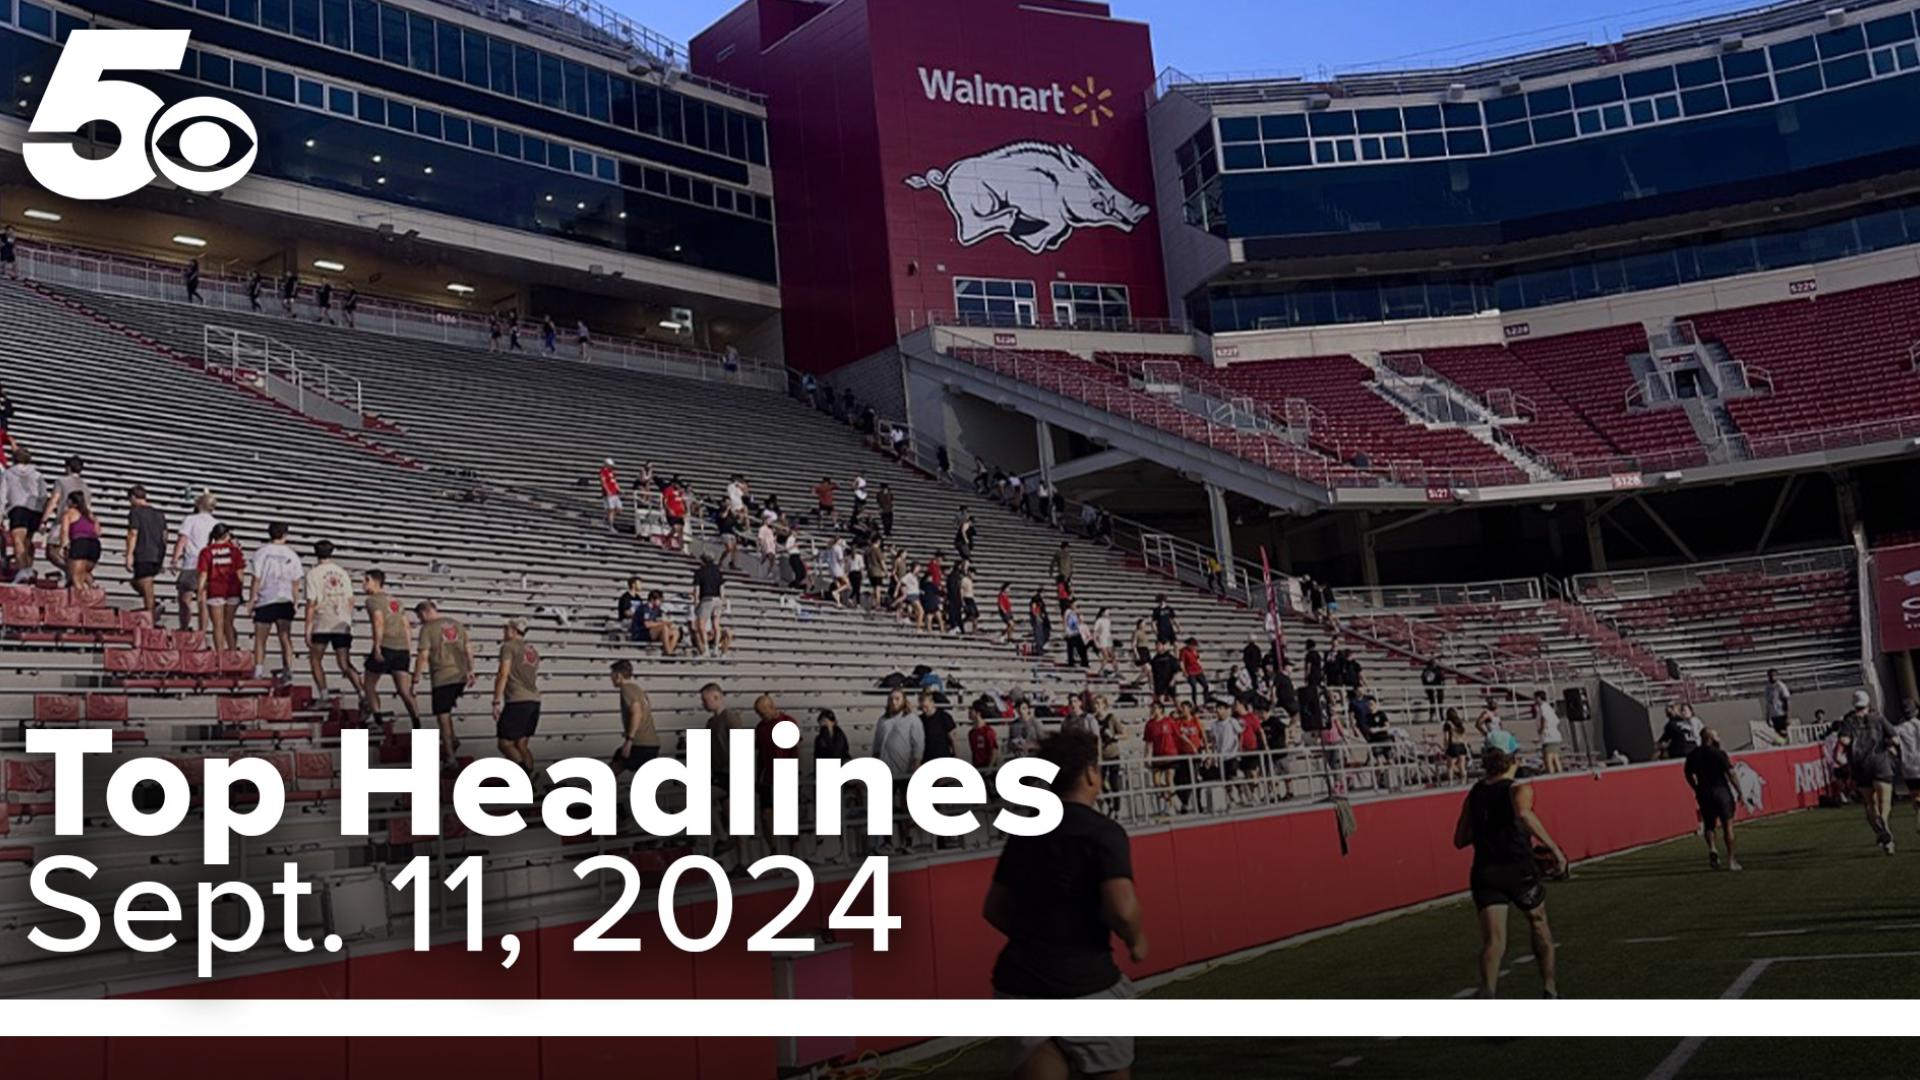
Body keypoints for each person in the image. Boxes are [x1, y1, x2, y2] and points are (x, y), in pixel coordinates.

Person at [985, 731, 1147, 1080]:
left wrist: (1039, 935)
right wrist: (1137, 942)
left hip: (1020, 982)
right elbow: (1122, 908)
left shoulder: (1025, 831)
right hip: (1086, 983)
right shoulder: (1104, 832)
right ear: (1090, 773)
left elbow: (994, 908)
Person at [1453, 736, 1565, 999]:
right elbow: (1524, 815)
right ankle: (1550, 989)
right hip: (1518, 868)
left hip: (1485, 872)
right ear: (1513, 757)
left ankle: (1488, 993)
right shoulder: (1518, 789)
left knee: (1494, 942)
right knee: (1539, 924)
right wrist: (1556, 849)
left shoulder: (1475, 793)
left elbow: (1460, 840)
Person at [1834, 690, 1901, 854]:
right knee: (1884, 801)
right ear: (1868, 703)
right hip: (1880, 762)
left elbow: (1840, 749)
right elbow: (1895, 739)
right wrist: (1888, 746)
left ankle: (1882, 834)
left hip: (1860, 766)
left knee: (1869, 803)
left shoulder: (1849, 722)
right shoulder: (1878, 718)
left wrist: (1847, 765)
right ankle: (1884, 821)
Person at [411, 600, 474, 767]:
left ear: (424, 613)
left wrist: (416, 679)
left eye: (420, 617)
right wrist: (470, 670)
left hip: (443, 677)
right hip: (459, 674)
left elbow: (423, 655)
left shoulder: (428, 629)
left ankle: (451, 755)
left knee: (442, 717)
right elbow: (468, 649)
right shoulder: (457, 624)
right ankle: (452, 740)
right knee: (447, 710)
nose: (420, 621)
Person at [362, 569, 422, 730]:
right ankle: (416, 721)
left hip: (386, 644)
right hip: (402, 647)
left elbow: (378, 621)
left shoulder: (372, 600)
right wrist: (408, 649)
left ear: (372, 580)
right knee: (404, 689)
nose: (363, 585)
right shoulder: (396, 601)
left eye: (365, 581)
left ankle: (377, 719)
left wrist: (376, 646)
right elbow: (406, 625)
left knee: (368, 684)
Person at [304, 540, 362, 701]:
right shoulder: (342, 572)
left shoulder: (313, 574)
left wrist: (307, 628)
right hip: (341, 621)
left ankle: (324, 694)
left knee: (315, 659)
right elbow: (351, 600)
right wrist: (347, 619)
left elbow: (311, 602)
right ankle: (362, 692)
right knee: (344, 663)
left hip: (323, 621)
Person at [247, 522, 304, 681]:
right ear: (285, 535)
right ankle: (288, 668)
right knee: (285, 636)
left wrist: (252, 599)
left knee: (260, 638)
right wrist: (296, 600)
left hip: (266, 597)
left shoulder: (261, 552)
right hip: (285, 598)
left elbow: (256, 578)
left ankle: (258, 670)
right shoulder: (292, 555)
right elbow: (296, 582)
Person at [1684, 727, 1741, 871]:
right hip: (1721, 791)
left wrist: (1695, 787)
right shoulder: (1719, 754)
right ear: (1710, 738)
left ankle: (1713, 848)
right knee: (1728, 826)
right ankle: (1731, 859)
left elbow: (1688, 774)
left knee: (1709, 825)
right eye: (1716, 736)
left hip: (1704, 792)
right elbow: (1731, 773)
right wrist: (1739, 790)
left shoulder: (1693, 755)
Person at [492, 619, 543, 778]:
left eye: (506, 629)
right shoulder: (532, 650)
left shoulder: (508, 647)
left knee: (505, 743)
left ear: (513, 631)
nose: (504, 632)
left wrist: (496, 699)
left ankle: (524, 775)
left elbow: (503, 673)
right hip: (534, 699)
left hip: (517, 700)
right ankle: (532, 782)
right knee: (522, 744)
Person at [172, 491, 219, 631]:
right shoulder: (216, 523)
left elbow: (183, 540)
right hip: (209, 565)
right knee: (203, 600)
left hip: (191, 563)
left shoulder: (190, 519)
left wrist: (175, 558)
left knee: (185, 598)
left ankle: (184, 627)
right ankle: (202, 631)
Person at [196, 523, 246, 653]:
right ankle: (233, 652)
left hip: (215, 590)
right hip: (232, 589)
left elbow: (203, 574)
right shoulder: (235, 551)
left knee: (217, 626)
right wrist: (241, 590)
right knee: (228, 623)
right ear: (227, 535)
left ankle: (220, 656)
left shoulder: (206, 551)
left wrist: (200, 591)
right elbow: (240, 573)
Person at [41, 456, 90, 582]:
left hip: (64, 520)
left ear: (67, 467)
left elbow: (54, 501)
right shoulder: (85, 486)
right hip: (80, 523)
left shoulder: (61, 481)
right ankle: (73, 578)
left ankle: (73, 572)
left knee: (51, 551)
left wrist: (44, 520)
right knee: (69, 554)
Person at [123, 485, 167, 622]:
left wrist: (129, 554)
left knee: (147, 588)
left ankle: (151, 615)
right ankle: (153, 605)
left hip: (143, 553)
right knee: (137, 582)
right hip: (156, 553)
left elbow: (133, 533)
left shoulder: (135, 512)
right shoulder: (159, 514)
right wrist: (162, 555)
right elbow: (165, 536)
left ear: (133, 498)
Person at [610, 660, 658, 773]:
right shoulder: (637, 688)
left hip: (640, 743)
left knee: (613, 769)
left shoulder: (626, 689)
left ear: (618, 675)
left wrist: (629, 740)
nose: (610, 678)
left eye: (612, 674)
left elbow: (636, 712)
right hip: (652, 742)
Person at [56, 490, 100, 592]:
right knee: (84, 573)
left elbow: (64, 531)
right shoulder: (90, 514)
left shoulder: (69, 513)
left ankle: (80, 602)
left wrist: (63, 546)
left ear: (71, 502)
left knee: (76, 578)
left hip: (80, 543)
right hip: (94, 545)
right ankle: (92, 591)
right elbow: (98, 532)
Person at [691, 552, 725, 657]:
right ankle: (716, 648)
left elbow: (697, 589)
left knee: (701, 624)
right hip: (717, 599)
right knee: (716, 624)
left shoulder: (700, 572)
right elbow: (722, 588)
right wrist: (723, 600)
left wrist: (696, 602)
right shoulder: (717, 571)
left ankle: (705, 649)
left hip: (706, 599)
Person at [919, 691, 957, 761]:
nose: (924, 710)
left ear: (932, 703)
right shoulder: (920, 719)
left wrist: (956, 756)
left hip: (943, 757)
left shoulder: (944, 717)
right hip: (926, 759)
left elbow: (953, 739)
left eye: (926, 707)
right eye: (922, 708)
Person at [1533, 690, 1564, 774]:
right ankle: (1559, 774)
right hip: (1555, 737)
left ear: (1539, 698)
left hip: (1548, 737)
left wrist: (1541, 731)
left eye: (1535, 698)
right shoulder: (1549, 707)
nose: (1534, 700)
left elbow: (1544, 719)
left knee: (1548, 759)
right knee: (1555, 758)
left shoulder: (1543, 707)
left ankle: (1551, 774)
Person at [968, 701, 1000, 770]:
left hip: (987, 768)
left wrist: (989, 768)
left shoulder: (988, 731)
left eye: (972, 710)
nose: (969, 712)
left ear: (978, 713)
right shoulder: (971, 733)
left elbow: (994, 750)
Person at [1443, 708, 1470, 785]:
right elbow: (1464, 736)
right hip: (1461, 745)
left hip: (1453, 745)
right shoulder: (1459, 723)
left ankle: (1450, 782)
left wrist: (1445, 746)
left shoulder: (1447, 724)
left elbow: (1446, 737)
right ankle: (1464, 781)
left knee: (1450, 766)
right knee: (1462, 765)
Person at [1178, 637, 1209, 705]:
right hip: (1190, 672)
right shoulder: (1183, 651)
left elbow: (1197, 660)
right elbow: (1181, 662)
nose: (1194, 647)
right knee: (1193, 686)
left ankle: (1206, 701)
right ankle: (1195, 702)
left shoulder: (1194, 651)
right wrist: (1184, 671)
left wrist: (1202, 668)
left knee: (1206, 685)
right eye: (1193, 645)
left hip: (1198, 670)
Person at [1763, 669, 1792, 737]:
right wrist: (1767, 716)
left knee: (1783, 732)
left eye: (1774, 675)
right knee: (1777, 732)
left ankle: (1785, 743)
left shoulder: (1781, 686)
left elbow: (1787, 700)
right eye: (1770, 675)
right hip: (1773, 714)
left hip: (1781, 713)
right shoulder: (1767, 687)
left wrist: (1788, 716)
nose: (1772, 677)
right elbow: (1768, 702)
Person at [1062, 602, 1090, 668]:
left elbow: (1079, 622)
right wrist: (1066, 631)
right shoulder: (1068, 612)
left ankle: (1084, 661)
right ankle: (1071, 662)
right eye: (1075, 605)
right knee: (1070, 648)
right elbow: (1065, 621)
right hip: (1070, 632)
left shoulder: (1076, 613)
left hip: (1077, 632)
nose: (1076, 607)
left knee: (1082, 647)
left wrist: (1078, 615)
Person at [597, 459, 622, 531]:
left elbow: (615, 482)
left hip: (615, 493)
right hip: (609, 494)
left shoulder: (611, 472)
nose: (611, 467)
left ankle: (605, 519)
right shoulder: (603, 472)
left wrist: (619, 489)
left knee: (619, 509)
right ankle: (611, 526)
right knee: (611, 510)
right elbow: (603, 482)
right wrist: (607, 490)